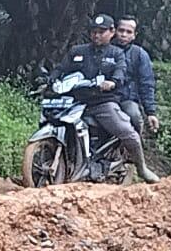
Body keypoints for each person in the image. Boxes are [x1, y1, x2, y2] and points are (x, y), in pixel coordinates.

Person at [52, 14, 160, 183]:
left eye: (101, 32)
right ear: (115, 31)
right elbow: (61, 69)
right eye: (94, 32)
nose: (97, 35)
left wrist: (114, 83)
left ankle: (141, 167)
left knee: (130, 126)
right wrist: (50, 79)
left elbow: (136, 79)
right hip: (77, 101)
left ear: (110, 32)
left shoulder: (122, 54)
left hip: (104, 101)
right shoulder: (78, 51)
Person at [113, 16, 159, 136]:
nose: (124, 35)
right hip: (103, 99)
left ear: (134, 35)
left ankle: (134, 151)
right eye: (121, 30)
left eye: (128, 32)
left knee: (134, 115)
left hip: (126, 99)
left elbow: (147, 84)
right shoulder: (105, 50)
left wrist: (150, 112)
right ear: (114, 31)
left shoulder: (139, 55)